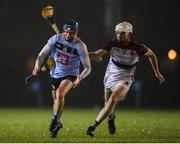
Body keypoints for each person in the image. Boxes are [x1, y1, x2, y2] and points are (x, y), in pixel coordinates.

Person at [87, 21, 165, 137]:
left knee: (113, 100)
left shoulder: (137, 47)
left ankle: (93, 126)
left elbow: (152, 55)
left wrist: (157, 72)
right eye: (118, 32)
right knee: (107, 105)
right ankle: (111, 118)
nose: (119, 35)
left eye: (122, 33)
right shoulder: (112, 43)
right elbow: (97, 54)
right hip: (110, 75)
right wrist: (80, 54)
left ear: (129, 34)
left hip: (126, 78)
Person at [32, 19, 91, 138]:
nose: (68, 35)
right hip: (55, 73)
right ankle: (57, 123)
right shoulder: (56, 39)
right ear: (64, 31)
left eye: (71, 33)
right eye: (66, 32)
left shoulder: (80, 45)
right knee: (56, 100)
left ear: (76, 32)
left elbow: (88, 68)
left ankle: (54, 121)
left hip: (71, 75)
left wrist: (80, 78)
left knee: (60, 94)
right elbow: (42, 54)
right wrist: (36, 66)